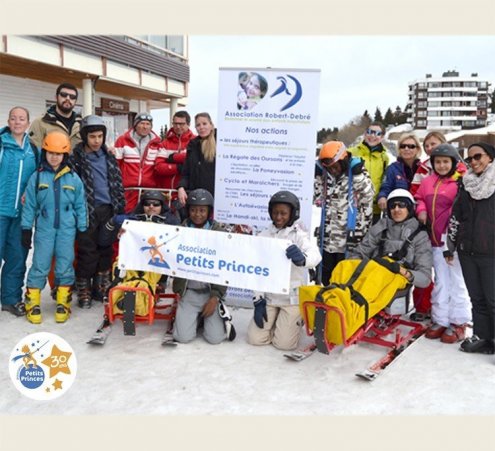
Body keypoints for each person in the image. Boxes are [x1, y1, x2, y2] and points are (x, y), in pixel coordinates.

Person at [21, 131, 87, 324]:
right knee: (40, 265)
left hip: (67, 230)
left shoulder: (74, 178)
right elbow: (30, 205)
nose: (54, 157)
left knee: (65, 265)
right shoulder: (37, 177)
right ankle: (32, 301)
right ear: (45, 153)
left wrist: (82, 229)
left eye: (58, 153)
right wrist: (26, 228)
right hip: (44, 229)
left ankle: (63, 301)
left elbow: (80, 205)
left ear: (65, 155)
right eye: (50, 152)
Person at [247, 191, 322, 351]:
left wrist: (303, 258)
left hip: (291, 299)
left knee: (284, 345)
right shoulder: (264, 235)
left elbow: (316, 256)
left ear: (292, 214)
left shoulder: (299, 236)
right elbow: (256, 269)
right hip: (270, 297)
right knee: (255, 339)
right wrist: (258, 299)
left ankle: (293, 323)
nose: (278, 217)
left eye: (283, 213)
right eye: (275, 213)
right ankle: (278, 324)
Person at [415, 144, 471, 343]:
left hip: (454, 241)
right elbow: (419, 197)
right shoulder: (428, 181)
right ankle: (441, 319)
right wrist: (421, 210)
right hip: (435, 239)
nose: (441, 165)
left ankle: (459, 321)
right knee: (440, 280)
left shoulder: (460, 182)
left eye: (445, 162)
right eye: (437, 162)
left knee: (457, 281)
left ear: (454, 163)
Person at [69, 115, 125, 308]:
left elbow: (117, 182)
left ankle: (101, 286)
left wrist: (119, 207)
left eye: (100, 136)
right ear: (85, 137)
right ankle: (84, 286)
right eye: (92, 136)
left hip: (107, 209)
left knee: (106, 248)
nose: (96, 141)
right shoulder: (76, 159)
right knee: (87, 250)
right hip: (87, 210)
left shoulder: (108, 156)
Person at [445, 143, 495, 355]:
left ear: (490, 157)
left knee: (493, 299)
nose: (473, 162)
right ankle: (484, 337)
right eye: (470, 159)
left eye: (478, 156)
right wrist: (451, 246)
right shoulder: (465, 185)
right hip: (468, 252)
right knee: (477, 298)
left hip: (491, 253)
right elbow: (456, 217)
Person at [172, 189, 234, 344]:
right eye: (193, 210)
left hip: (209, 293)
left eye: (202, 210)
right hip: (189, 292)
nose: (197, 214)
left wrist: (215, 297)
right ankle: (194, 318)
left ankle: (219, 314)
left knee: (215, 338)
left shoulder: (219, 234)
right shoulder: (180, 231)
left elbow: (224, 268)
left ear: (209, 212)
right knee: (182, 337)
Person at [314, 141, 374, 285]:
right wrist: (317, 178)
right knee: (327, 278)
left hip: (351, 238)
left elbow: (369, 194)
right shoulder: (324, 176)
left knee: (347, 279)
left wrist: (358, 174)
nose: (332, 171)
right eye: (328, 168)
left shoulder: (358, 173)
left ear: (344, 160)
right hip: (328, 238)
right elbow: (316, 199)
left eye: (335, 167)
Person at [0, 107, 39, 316]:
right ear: (8, 121)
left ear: (27, 123)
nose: (17, 122)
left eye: (21, 119)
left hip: (21, 214)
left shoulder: (33, 149)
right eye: (13, 118)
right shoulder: (1, 144)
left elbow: (39, 178)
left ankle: (10, 299)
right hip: (0, 210)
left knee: (17, 256)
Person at [352, 189, 433, 290]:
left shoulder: (420, 235)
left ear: (410, 208)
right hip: (372, 275)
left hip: (396, 284)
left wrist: (404, 272)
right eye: (392, 206)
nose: (396, 209)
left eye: (402, 205)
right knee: (343, 267)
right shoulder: (381, 228)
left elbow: (425, 278)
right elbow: (359, 254)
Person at [114, 112, 163, 212]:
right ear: (135, 124)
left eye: (148, 124)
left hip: (149, 192)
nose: (145, 127)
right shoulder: (122, 140)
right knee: (127, 218)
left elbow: (159, 167)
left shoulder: (157, 144)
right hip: (128, 190)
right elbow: (115, 166)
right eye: (142, 123)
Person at [348, 121, 390, 222]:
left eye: (377, 133)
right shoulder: (351, 152)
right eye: (369, 132)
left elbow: (383, 180)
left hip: (374, 207)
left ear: (382, 137)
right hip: (354, 206)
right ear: (365, 133)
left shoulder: (384, 157)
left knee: (372, 236)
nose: (372, 136)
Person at [177, 113, 217, 207]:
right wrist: (181, 187)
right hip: (196, 198)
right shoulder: (193, 145)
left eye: (204, 123)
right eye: (198, 125)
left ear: (211, 125)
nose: (201, 127)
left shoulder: (222, 142)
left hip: (216, 197)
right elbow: (186, 172)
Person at [155, 110, 196, 201]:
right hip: (166, 193)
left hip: (187, 193)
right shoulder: (165, 143)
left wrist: (173, 157)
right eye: (175, 123)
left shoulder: (195, 142)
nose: (178, 126)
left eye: (181, 124)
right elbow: (159, 168)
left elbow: (193, 163)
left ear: (188, 124)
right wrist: (178, 167)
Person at [29, 82, 81, 150]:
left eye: (72, 97)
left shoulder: (81, 125)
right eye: (64, 95)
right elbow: (33, 152)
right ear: (56, 97)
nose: (68, 98)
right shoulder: (40, 122)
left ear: (75, 101)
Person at [376, 133, 421, 211]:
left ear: (417, 149)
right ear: (399, 149)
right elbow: (386, 187)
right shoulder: (392, 169)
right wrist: (382, 197)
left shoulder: (423, 169)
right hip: (399, 209)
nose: (406, 149)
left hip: (418, 210)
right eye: (403, 146)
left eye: (411, 146)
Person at [410, 131, 447, 196]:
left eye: (433, 144)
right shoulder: (423, 167)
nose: (429, 148)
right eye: (426, 146)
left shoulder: (456, 165)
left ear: (443, 143)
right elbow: (414, 190)